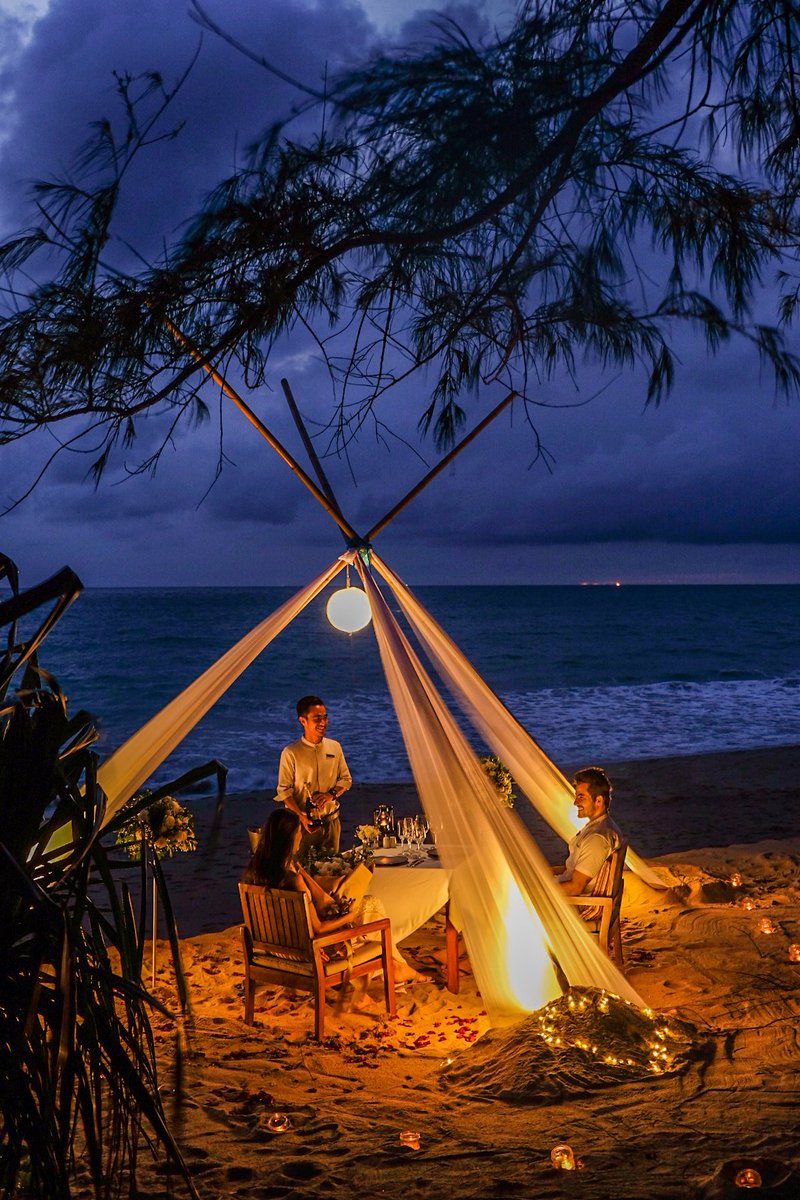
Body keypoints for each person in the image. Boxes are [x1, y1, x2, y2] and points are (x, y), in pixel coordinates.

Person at [245, 809, 427, 989]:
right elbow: (318, 927)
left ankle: (390, 973)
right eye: (299, 832)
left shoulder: (254, 874)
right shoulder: (292, 880)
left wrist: (300, 869)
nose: (301, 837)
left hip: (276, 948)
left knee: (363, 912)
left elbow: (292, 915)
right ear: (289, 838)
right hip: (306, 952)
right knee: (374, 924)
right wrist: (348, 917)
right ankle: (395, 968)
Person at [274, 695, 352, 855]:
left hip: (331, 821)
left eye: (325, 717)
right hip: (302, 826)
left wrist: (330, 795)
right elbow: (284, 791)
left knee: (332, 869)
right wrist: (300, 815)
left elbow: (346, 779)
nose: (323, 723)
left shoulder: (334, 747)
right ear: (303, 721)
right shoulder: (291, 753)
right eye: (317, 719)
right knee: (302, 872)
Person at [553, 766, 622, 896]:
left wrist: (537, 891)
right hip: (563, 890)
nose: (575, 803)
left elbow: (575, 887)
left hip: (572, 902)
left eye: (581, 797)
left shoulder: (597, 838)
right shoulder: (598, 827)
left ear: (598, 801)